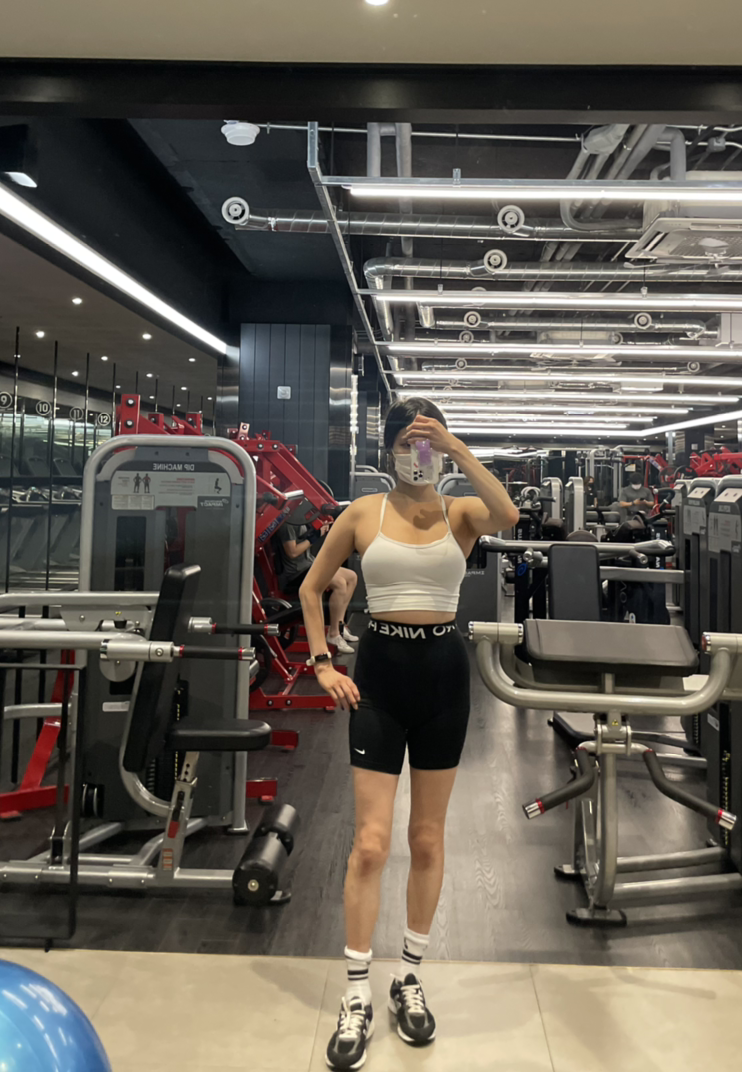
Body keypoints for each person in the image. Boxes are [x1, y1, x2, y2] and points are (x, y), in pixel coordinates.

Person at [297, 397, 519, 1071]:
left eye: (425, 443)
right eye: (405, 442)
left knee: (426, 838)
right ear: (388, 448)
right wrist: (321, 662)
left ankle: (410, 975)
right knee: (370, 843)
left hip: (443, 678)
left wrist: (455, 448)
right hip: (381, 677)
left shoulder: (461, 513)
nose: (414, 454)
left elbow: (509, 514)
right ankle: (356, 990)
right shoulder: (362, 513)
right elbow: (312, 589)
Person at [278, 519, 358, 652]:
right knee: (339, 584)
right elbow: (292, 552)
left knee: (352, 577)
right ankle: (333, 635)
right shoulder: (288, 525)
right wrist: (314, 537)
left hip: (309, 565)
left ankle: (339, 626)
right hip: (297, 573)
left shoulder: (301, 520)